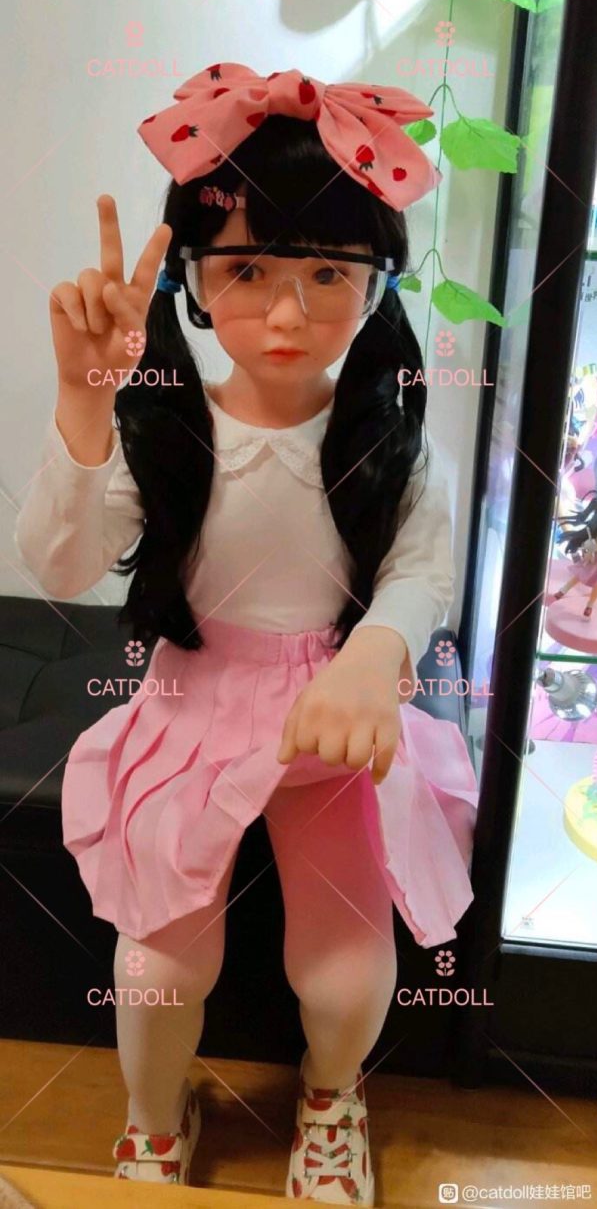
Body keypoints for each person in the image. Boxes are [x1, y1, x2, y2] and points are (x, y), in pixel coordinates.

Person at [14, 62, 479, 1205]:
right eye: (248, 269)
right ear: (193, 276)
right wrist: (84, 403)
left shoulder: (392, 443)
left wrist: (376, 653)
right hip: (192, 706)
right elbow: (62, 565)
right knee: (157, 962)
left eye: (327, 273)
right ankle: (151, 1114)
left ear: (376, 284)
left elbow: (423, 570)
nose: (284, 312)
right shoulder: (171, 432)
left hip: (332, 719)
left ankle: (331, 1094)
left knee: (346, 969)